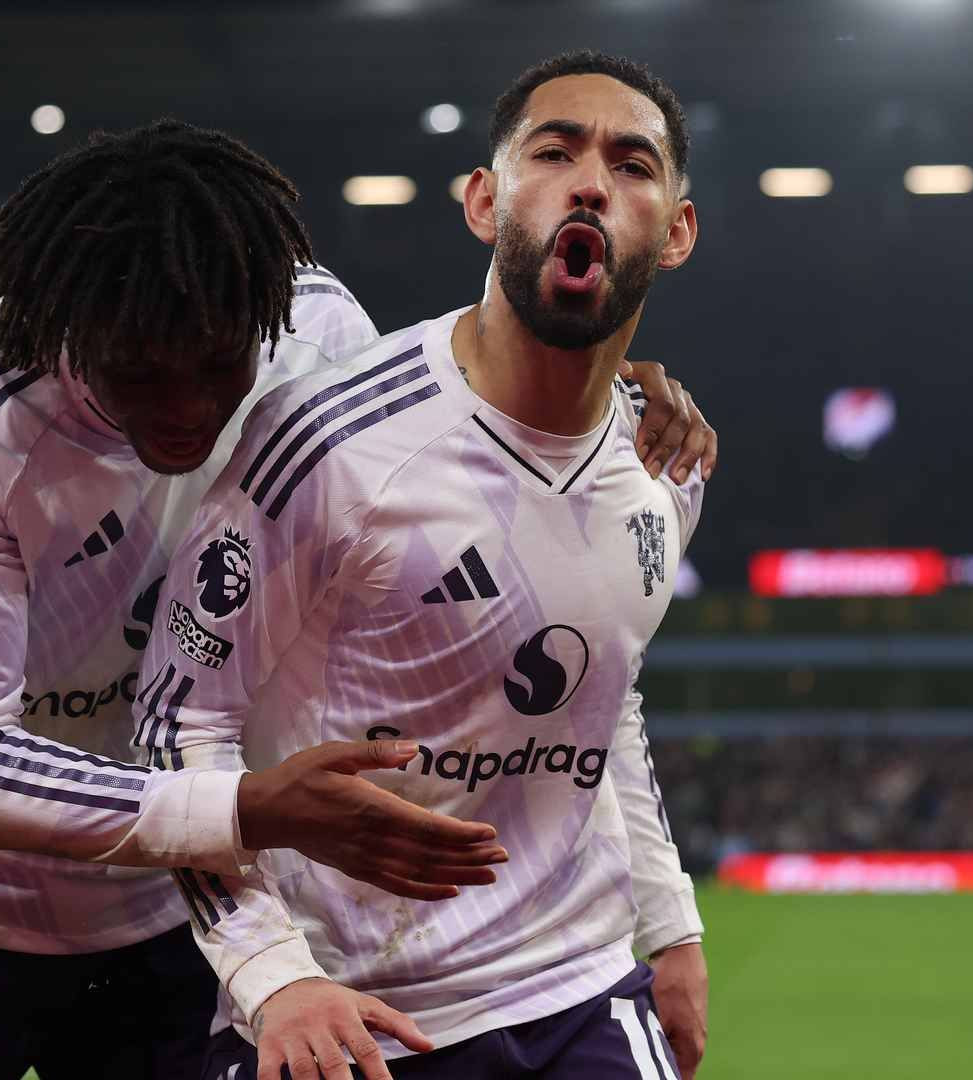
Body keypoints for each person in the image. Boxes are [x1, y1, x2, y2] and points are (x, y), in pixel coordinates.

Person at [0, 120, 714, 1079]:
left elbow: (434, 443)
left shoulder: (311, 331)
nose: (188, 407)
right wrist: (244, 805)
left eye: (217, 366)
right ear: (68, 333)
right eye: (140, 373)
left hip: (176, 910)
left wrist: (601, 398)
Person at [138, 51, 711, 1080]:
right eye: (554, 153)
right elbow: (175, 721)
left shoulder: (663, 464)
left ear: (675, 232)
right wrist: (272, 977)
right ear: (485, 202)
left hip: (578, 990)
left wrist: (669, 926)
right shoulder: (325, 443)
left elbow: (603, 692)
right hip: (353, 1012)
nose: (590, 182)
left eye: (631, 165)